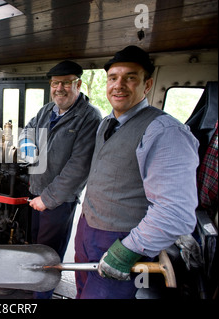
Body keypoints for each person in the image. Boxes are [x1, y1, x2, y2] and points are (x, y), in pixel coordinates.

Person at [74, 45, 200, 299]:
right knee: (82, 292)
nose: (119, 85)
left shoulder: (165, 132)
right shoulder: (106, 124)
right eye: (113, 77)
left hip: (122, 240)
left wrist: (127, 251)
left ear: (148, 84)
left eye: (130, 77)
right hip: (88, 230)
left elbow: (175, 211)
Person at [18, 60, 102, 298]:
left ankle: (42, 294)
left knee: (50, 250)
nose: (60, 88)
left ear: (79, 84)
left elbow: (79, 167)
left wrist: (49, 198)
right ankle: (35, 282)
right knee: (35, 244)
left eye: (66, 83)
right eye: (55, 83)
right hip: (36, 189)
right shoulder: (47, 110)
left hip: (59, 199)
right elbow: (29, 128)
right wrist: (26, 142)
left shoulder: (89, 117)